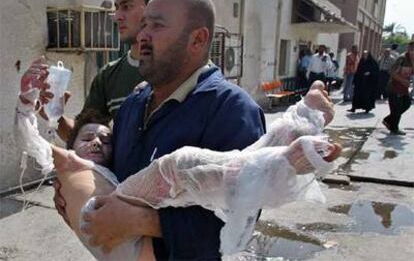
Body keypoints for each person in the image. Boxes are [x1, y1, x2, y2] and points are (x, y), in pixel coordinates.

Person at [72, 0, 340, 260]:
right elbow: (111, 177)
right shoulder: (133, 105)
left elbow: (236, 226)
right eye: (143, 25)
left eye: (156, 26)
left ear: (198, 39)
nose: (142, 35)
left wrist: (143, 221)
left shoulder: (231, 111)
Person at [17, 70, 341, 259]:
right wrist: (28, 104)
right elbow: (35, 138)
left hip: (139, 230)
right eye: (88, 138)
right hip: (138, 248)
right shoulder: (70, 165)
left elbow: (77, 133)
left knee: (185, 174)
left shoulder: (107, 169)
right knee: (178, 167)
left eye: (106, 138)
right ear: (71, 145)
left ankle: (296, 129)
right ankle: (294, 132)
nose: (98, 141)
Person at [22, 0, 165, 142]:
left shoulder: (181, 68)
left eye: (126, 7)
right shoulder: (109, 76)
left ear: (155, 9)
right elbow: (83, 140)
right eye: (117, 8)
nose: (117, 16)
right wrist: (55, 115)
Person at [382, 41, 414, 135]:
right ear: (408, 49)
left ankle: (388, 120)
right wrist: (402, 80)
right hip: (394, 87)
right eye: (412, 49)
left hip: (404, 89)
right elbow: (392, 72)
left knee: (406, 104)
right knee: (396, 108)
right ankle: (394, 128)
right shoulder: (402, 58)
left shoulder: (411, 60)